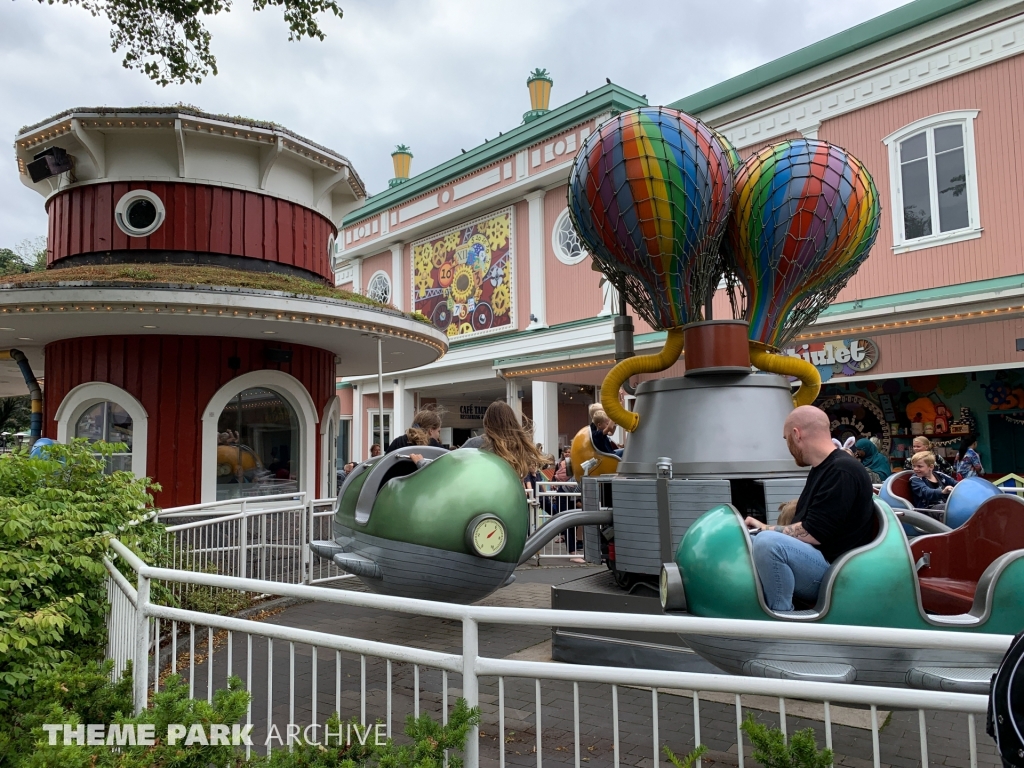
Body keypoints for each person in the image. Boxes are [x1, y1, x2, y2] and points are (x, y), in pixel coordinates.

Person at [744, 406, 875, 612]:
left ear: (797, 435)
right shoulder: (823, 468)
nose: (788, 446)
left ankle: (780, 617)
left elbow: (813, 533)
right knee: (746, 542)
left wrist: (765, 529)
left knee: (768, 543)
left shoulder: (842, 470)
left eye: (786, 438)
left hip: (834, 573)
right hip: (818, 562)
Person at [458, 401, 546, 478]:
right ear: (512, 421)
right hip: (512, 489)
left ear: (486, 421)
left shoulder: (475, 444)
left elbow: (453, 463)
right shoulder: (520, 445)